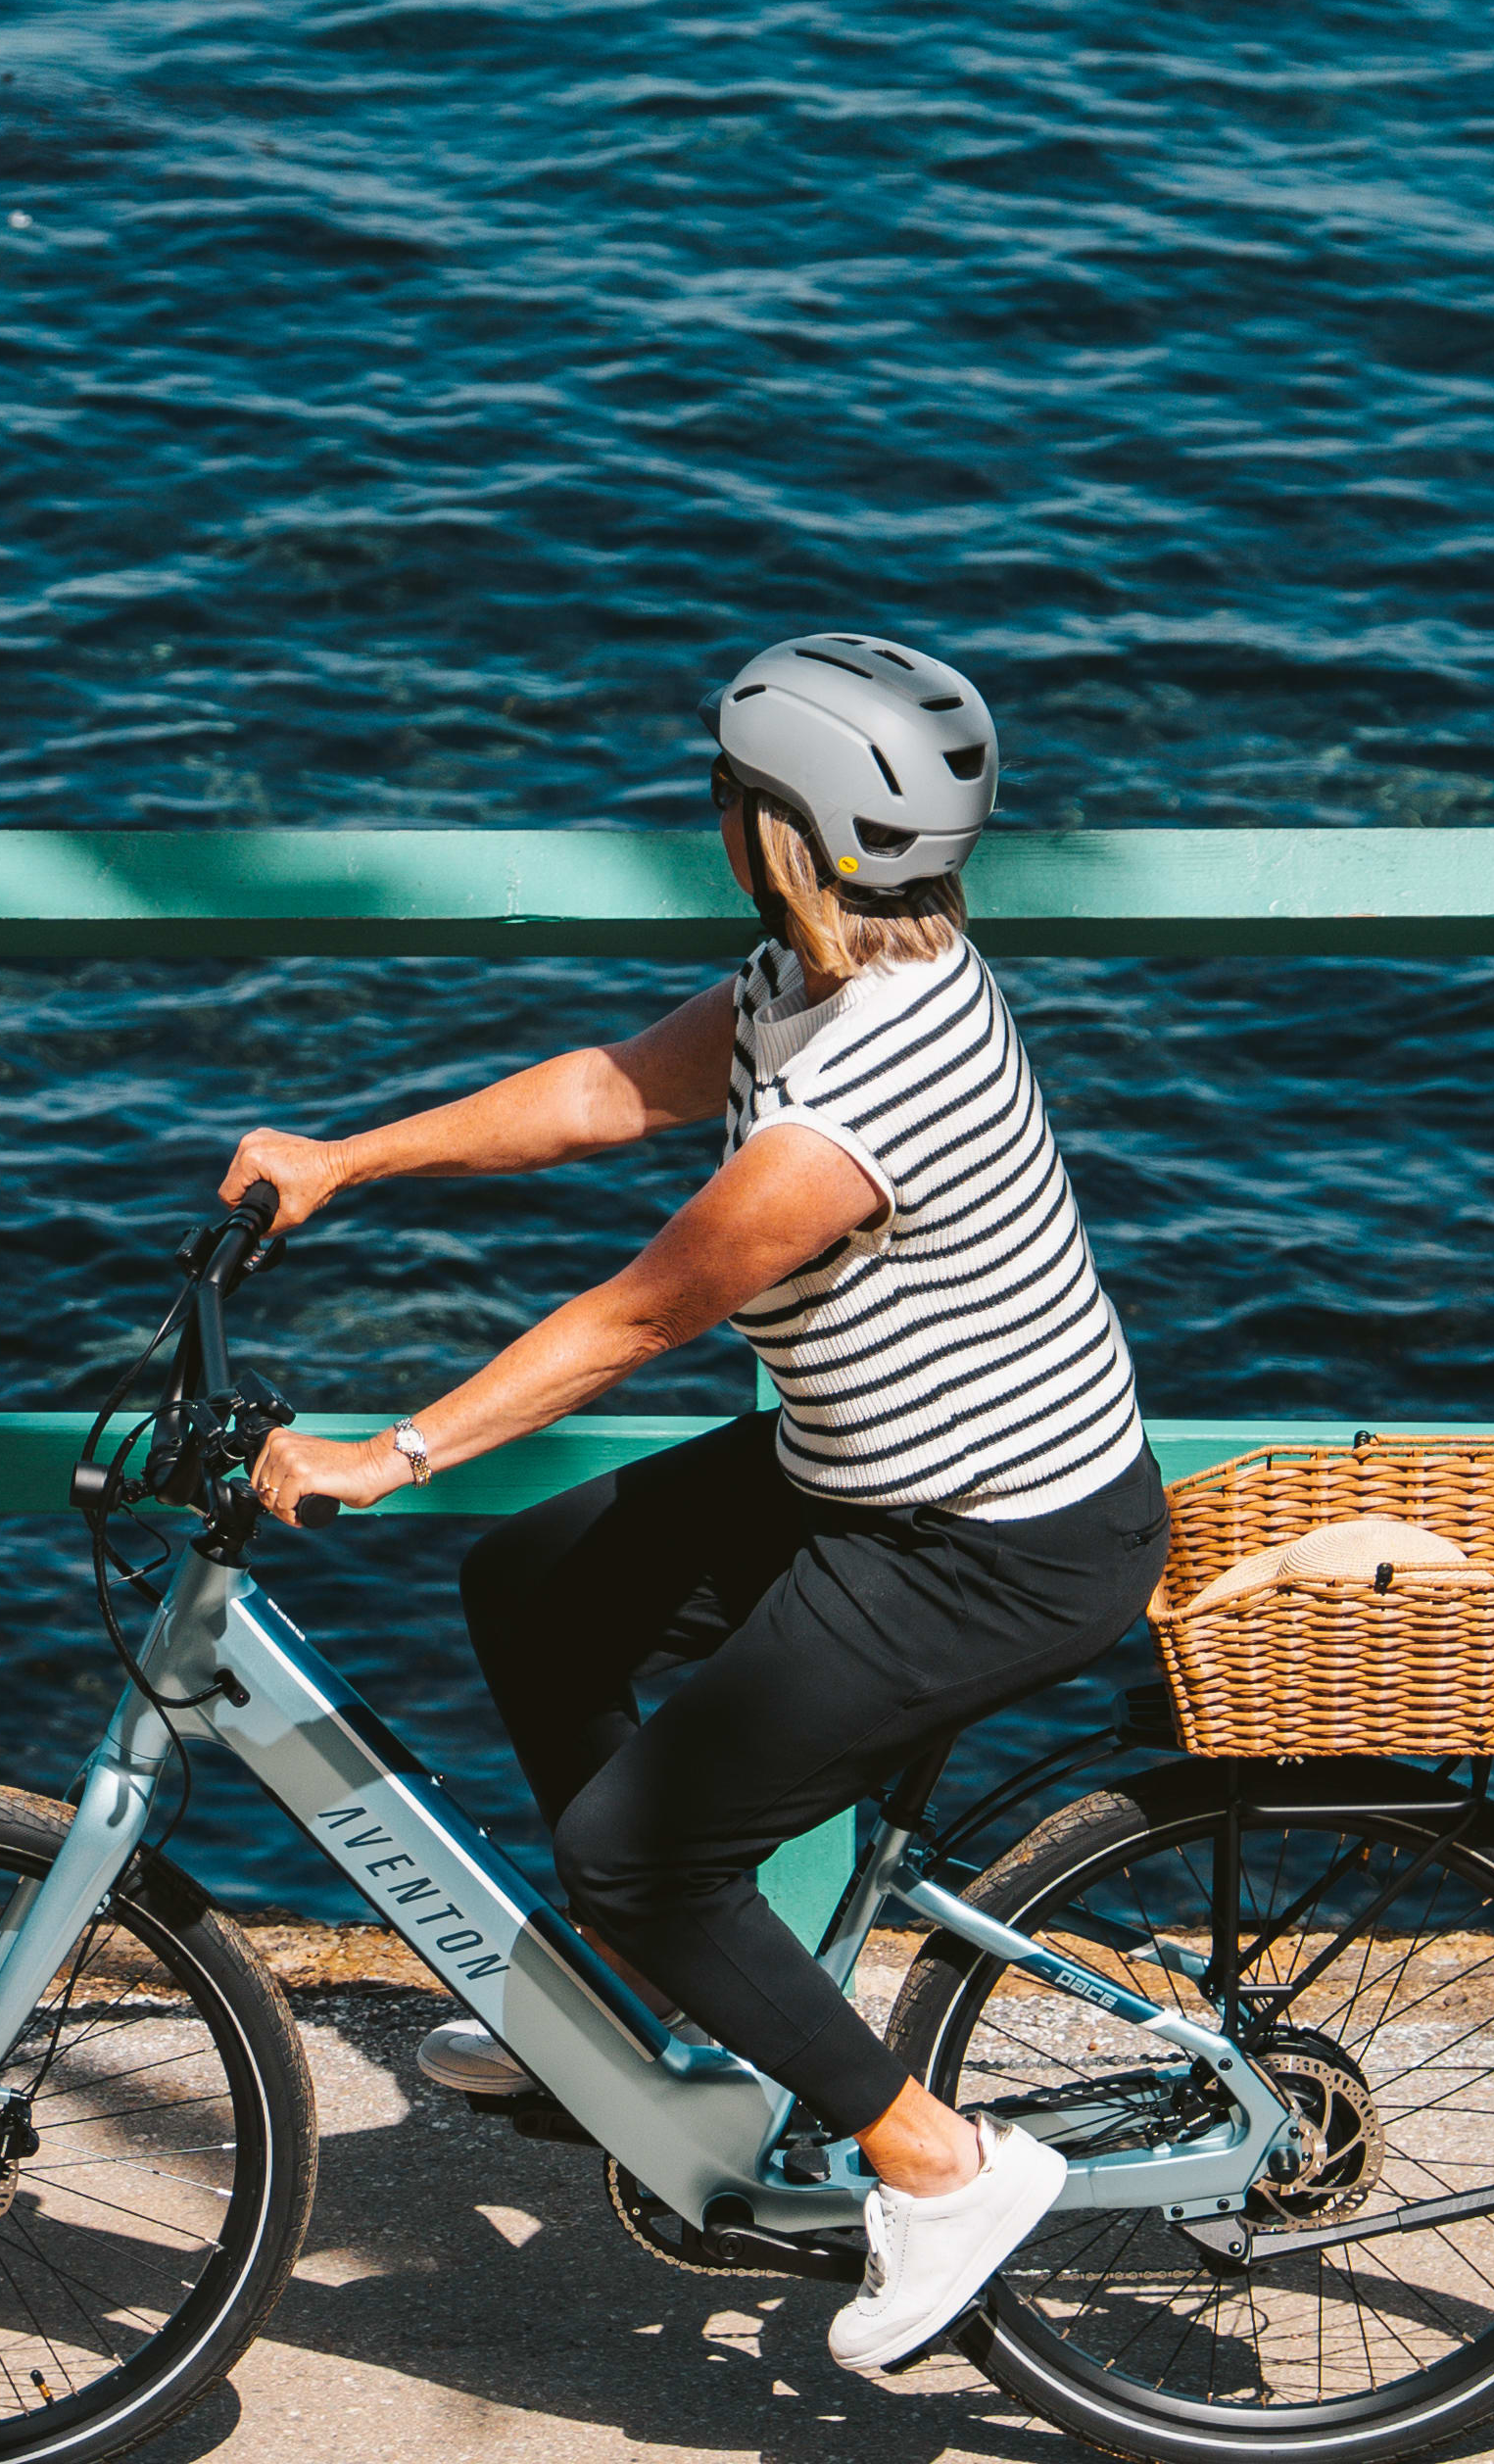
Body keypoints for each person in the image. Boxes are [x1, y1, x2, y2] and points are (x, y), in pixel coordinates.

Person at [223, 632, 1168, 2376]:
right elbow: (604, 1090)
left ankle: (939, 2164)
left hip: (993, 1539)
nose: (707, 816)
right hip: (874, 1476)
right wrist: (346, 1159)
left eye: (723, 795)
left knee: (637, 1852)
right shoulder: (816, 977)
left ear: (781, 828)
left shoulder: (861, 1089)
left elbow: (642, 1314)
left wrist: (390, 1450)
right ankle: (645, 2019)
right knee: (537, 1589)